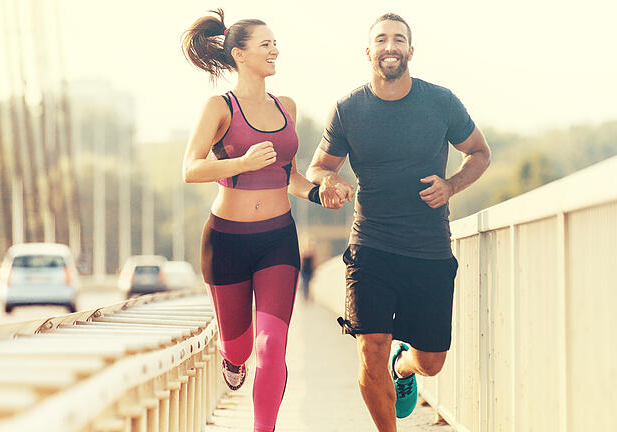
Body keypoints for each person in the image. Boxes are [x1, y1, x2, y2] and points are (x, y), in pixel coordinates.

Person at [306, 13, 491, 432]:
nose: (390, 47)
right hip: (371, 246)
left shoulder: (440, 102)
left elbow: (479, 152)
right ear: (368, 51)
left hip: (428, 249)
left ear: (410, 50)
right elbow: (317, 167)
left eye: (399, 40)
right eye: (382, 39)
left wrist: (451, 185)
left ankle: (404, 368)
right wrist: (331, 179)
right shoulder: (349, 109)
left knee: (432, 361)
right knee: (371, 346)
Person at [181, 9, 323, 432]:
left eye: (275, 43)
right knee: (241, 348)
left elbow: (289, 175)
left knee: (272, 345)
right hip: (226, 241)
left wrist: (318, 192)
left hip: (278, 238)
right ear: (240, 55)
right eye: (266, 44)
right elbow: (190, 168)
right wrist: (240, 161)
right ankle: (231, 357)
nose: (275, 50)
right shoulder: (218, 107)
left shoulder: (287, 107)